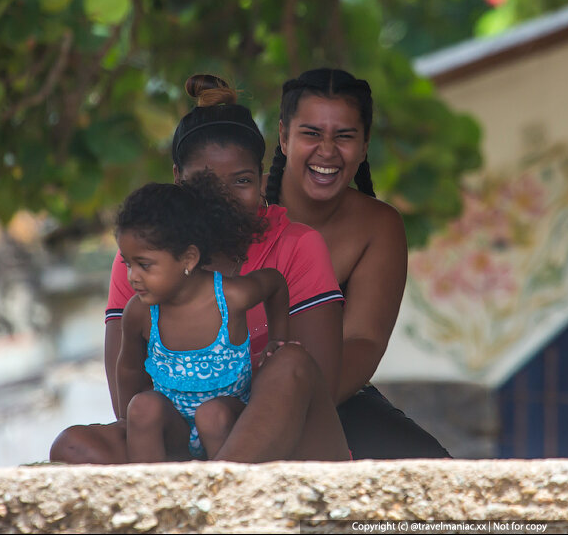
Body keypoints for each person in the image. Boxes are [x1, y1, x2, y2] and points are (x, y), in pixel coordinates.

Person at [50, 74, 350, 463]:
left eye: (241, 181)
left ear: (261, 181)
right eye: (205, 183)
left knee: (289, 362)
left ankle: (213, 500)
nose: (222, 200)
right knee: (73, 446)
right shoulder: (145, 266)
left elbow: (315, 386)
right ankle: (190, 494)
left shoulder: (297, 245)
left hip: (290, 443)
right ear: (177, 179)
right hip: (184, 442)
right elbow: (129, 402)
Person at [265, 67, 451, 459]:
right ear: (283, 137)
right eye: (311, 133)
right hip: (224, 391)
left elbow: (362, 341)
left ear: (364, 145)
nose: (327, 150)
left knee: (433, 474)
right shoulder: (243, 209)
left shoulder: (379, 225)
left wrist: (297, 403)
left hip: (334, 394)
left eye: (344, 136)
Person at [115, 172, 292, 462]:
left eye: (144, 265)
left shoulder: (230, 298)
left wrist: (278, 339)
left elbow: (275, 283)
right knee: (142, 408)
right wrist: (126, 421)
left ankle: (227, 495)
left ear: (188, 259)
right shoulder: (140, 312)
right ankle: (154, 499)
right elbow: (128, 370)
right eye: (127, 264)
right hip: (174, 431)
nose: (132, 277)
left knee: (212, 415)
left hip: (229, 425)